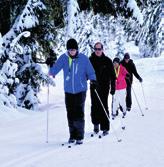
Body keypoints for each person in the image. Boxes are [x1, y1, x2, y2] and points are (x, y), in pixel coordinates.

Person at [46, 38, 96, 144]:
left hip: (80, 90)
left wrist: (93, 80)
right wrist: (50, 65)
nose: (72, 51)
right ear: (67, 50)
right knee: (70, 113)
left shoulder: (83, 59)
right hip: (68, 91)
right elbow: (53, 72)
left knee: (79, 113)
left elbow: (91, 71)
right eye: (70, 50)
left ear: (77, 49)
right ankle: (72, 135)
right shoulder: (63, 58)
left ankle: (79, 136)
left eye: (73, 49)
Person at [89, 42, 116, 136]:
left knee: (104, 105)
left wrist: (113, 87)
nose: (97, 51)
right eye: (96, 49)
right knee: (94, 106)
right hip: (94, 86)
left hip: (104, 87)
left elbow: (113, 76)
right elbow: (85, 73)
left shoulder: (108, 61)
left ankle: (105, 127)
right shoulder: (90, 60)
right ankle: (96, 124)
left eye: (99, 49)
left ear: (102, 49)